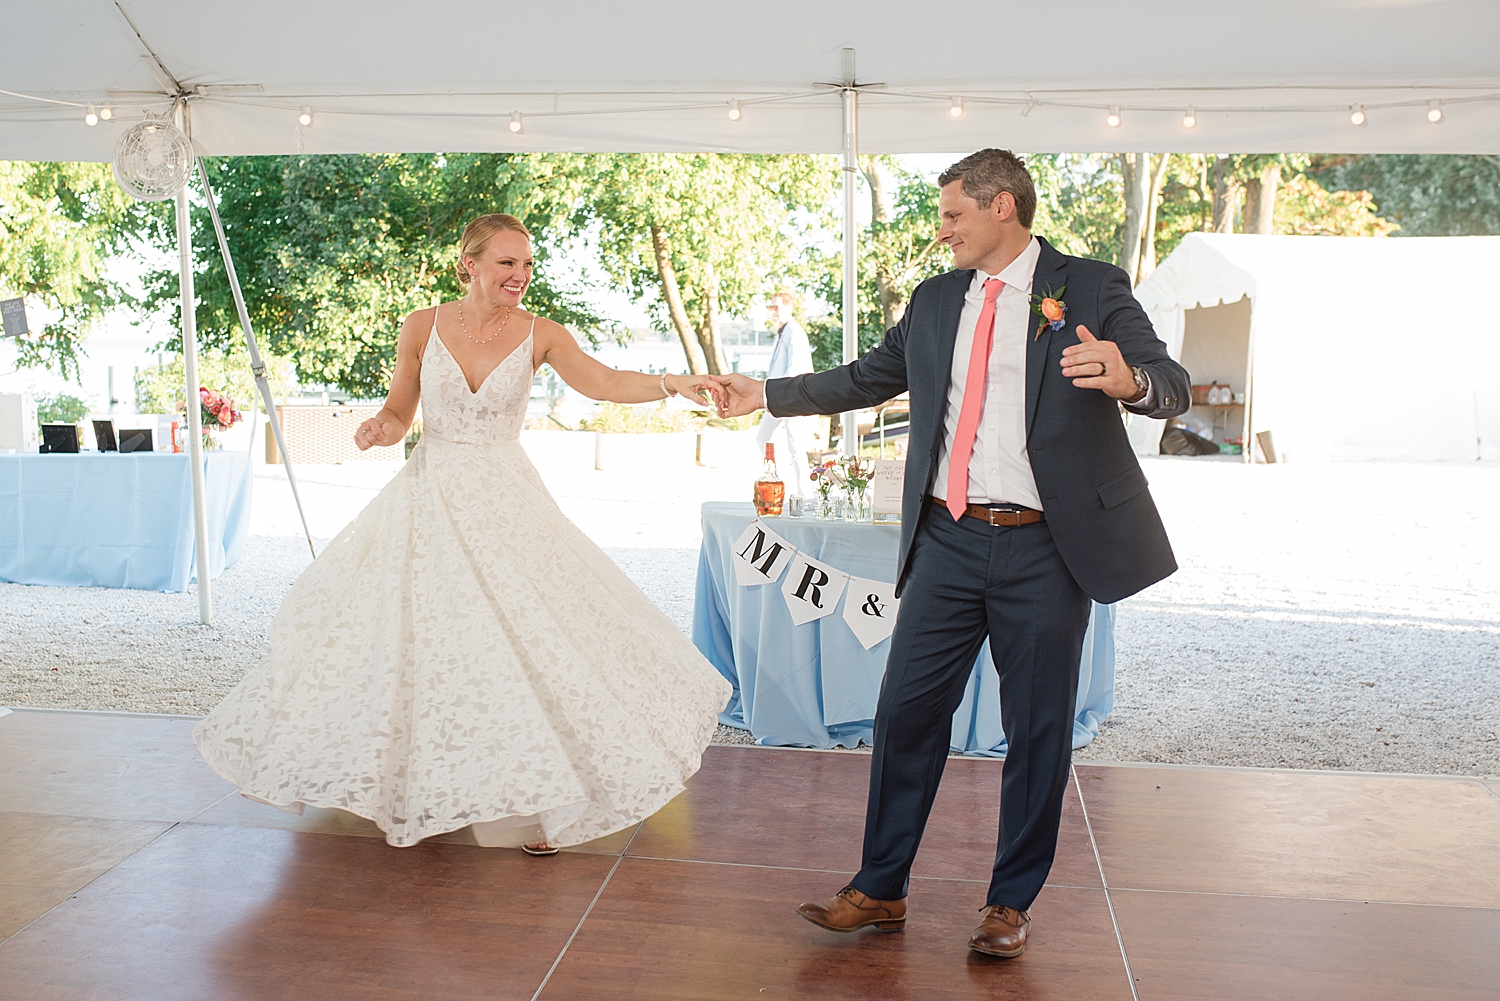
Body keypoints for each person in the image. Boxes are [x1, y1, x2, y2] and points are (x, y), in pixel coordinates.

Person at [711, 150, 1189, 957]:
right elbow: (865, 378)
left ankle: (1009, 902)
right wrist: (765, 395)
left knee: (1037, 729)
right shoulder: (936, 302)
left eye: (953, 216)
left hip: (1048, 547)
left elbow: (1170, 379)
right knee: (904, 713)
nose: (943, 232)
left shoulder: (1091, 285)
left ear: (1002, 206)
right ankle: (880, 887)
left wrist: (1128, 380)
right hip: (946, 540)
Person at [194, 213, 733, 855]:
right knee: (420, 641)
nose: (521, 276)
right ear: (469, 266)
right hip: (431, 496)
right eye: (507, 263)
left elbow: (605, 383)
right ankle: (416, 783)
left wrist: (677, 383)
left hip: (507, 499)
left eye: (527, 264)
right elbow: (400, 410)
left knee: (526, 640)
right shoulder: (422, 326)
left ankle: (539, 802)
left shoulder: (542, 334)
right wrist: (380, 429)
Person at [754, 292, 817, 495]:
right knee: (763, 435)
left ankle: (803, 493)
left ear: (789, 308)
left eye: (776, 307)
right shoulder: (781, 333)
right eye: (770, 307)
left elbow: (795, 369)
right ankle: (775, 477)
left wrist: (778, 399)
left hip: (792, 397)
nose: (772, 311)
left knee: (796, 447)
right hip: (778, 397)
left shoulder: (795, 333)